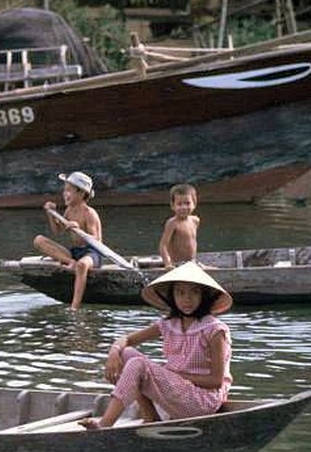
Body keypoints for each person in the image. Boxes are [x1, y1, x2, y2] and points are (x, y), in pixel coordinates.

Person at [80, 262, 232, 430]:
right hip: (177, 390)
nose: (187, 299)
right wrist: (113, 353)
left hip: (201, 402)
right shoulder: (169, 324)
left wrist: (176, 375)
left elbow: (216, 381)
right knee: (126, 354)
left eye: (194, 293)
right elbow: (126, 340)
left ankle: (104, 425)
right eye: (180, 293)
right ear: (172, 296)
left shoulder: (214, 330)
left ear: (204, 296)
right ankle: (150, 415)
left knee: (138, 365)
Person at [32, 171, 103, 311]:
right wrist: (51, 214)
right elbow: (57, 231)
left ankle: (74, 307)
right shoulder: (69, 210)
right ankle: (71, 262)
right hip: (75, 253)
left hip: (92, 254)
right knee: (39, 240)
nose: (64, 193)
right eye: (64, 190)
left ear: (81, 193)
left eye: (68, 190)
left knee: (82, 265)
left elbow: (97, 241)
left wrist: (79, 230)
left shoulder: (89, 213)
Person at [159, 183, 201, 267]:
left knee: (215, 270)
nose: (184, 207)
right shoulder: (172, 223)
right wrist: (168, 264)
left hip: (192, 263)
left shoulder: (195, 220)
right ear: (173, 206)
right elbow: (163, 245)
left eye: (187, 203)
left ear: (194, 204)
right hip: (176, 264)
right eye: (179, 204)